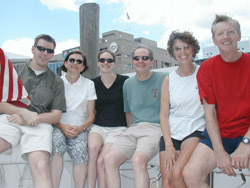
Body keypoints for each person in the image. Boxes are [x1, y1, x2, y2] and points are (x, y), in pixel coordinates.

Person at [183, 14, 250, 188]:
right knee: (190, 174)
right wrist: (219, 152)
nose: (226, 37)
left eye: (230, 32)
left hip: (248, 132)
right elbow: (209, 112)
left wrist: (246, 143)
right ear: (214, 40)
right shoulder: (207, 68)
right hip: (221, 133)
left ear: (239, 36)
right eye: (220, 33)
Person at [0, 34, 66, 188]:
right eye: (41, 48)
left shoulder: (56, 81)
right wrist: (23, 113)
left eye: (49, 51)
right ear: (33, 49)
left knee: (41, 167)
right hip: (10, 118)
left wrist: (32, 117)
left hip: (39, 125)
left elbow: (56, 115)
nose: (44, 53)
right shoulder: (13, 71)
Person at [104, 45, 167, 188]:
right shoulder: (128, 83)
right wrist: (130, 130)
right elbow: (129, 113)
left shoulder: (164, 79)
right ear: (132, 61)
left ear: (152, 62)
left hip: (155, 128)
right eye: (136, 58)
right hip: (134, 129)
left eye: (145, 58)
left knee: (138, 160)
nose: (140, 61)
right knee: (109, 159)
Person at [159, 31, 205, 188]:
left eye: (186, 47)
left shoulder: (203, 73)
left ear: (193, 49)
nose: (183, 52)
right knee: (167, 182)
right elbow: (164, 115)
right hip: (172, 131)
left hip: (194, 128)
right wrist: (168, 144)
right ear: (173, 52)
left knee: (177, 172)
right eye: (178, 48)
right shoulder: (169, 79)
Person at [50, 50, 96, 188]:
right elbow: (49, 110)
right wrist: (61, 126)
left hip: (80, 127)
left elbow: (91, 115)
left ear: (83, 67)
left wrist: (81, 128)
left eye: (79, 61)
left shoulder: (89, 84)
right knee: (57, 147)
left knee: (81, 152)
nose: (75, 63)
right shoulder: (56, 82)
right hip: (58, 125)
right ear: (65, 63)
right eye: (72, 60)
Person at [87, 50, 129, 188]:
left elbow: (130, 108)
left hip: (118, 128)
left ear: (114, 63)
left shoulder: (124, 81)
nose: (106, 63)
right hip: (98, 126)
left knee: (101, 161)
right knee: (92, 149)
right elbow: (90, 110)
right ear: (98, 63)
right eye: (103, 60)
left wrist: (131, 129)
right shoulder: (92, 84)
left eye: (109, 60)